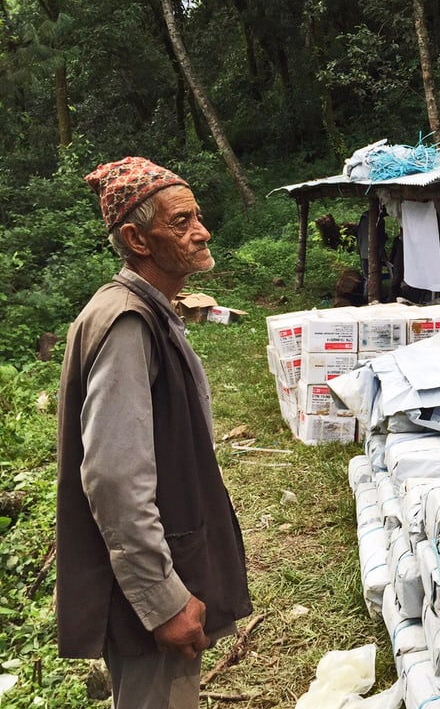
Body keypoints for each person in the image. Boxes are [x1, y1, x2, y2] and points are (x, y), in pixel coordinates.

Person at [57, 157, 252, 709]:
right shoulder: (126, 323)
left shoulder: (147, 309)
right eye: (182, 220)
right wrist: (162, 599)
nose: (202, 231)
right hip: (147, 592)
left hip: (163, 566)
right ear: (137, 239)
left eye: (198, 216)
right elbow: (115, 478)